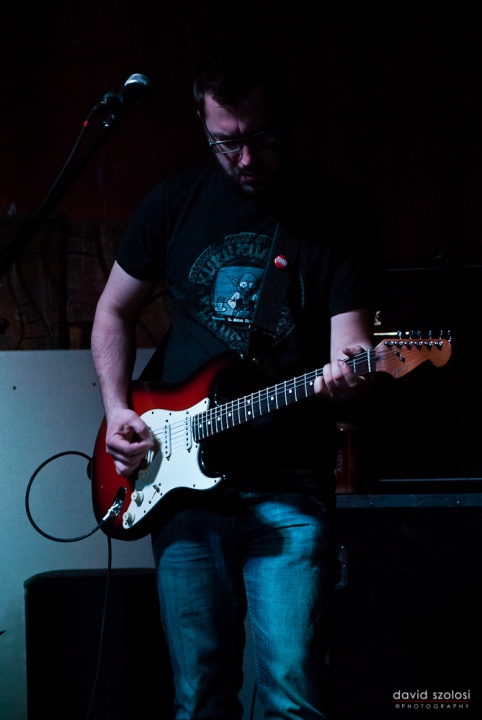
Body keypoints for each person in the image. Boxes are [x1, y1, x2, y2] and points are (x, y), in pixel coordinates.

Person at [91, 40, 384, 720]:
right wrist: (116, 409)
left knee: (293, 696)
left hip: (289, 488)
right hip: (179, 488)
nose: (246, 159)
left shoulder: (336, 216)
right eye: (227, 142)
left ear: (287, 119)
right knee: (199, 697)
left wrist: (352, 375)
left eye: (260, 138)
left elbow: (352, 349)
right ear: (202, 121)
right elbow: (112, 310)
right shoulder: (173, 204)